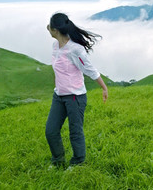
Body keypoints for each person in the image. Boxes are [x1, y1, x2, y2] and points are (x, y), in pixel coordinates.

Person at [45, 12, 108, 169]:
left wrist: (104, 87)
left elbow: (89, 69)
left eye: (49, 27)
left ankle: (78, 163)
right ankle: (58, 161)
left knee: (75, 132)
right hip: (58, 95)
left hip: (75, 97)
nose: (47, 29)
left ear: (55, 30)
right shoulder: (55, 46)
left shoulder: (75, 49)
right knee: (51, 131)